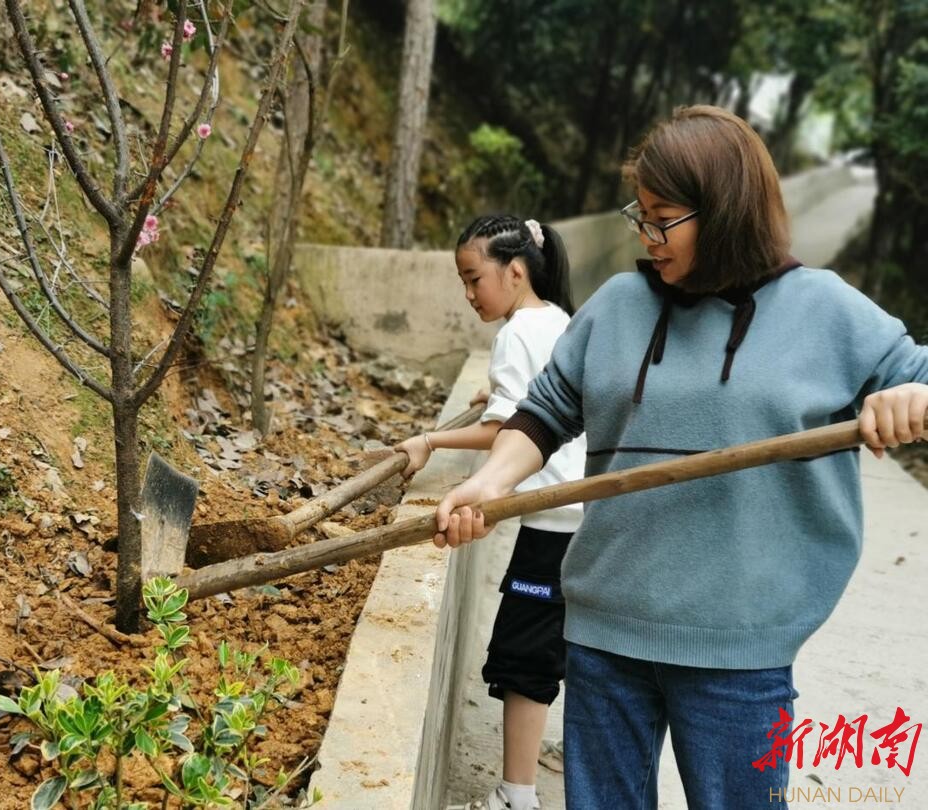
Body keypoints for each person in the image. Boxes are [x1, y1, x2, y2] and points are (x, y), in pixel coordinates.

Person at [432, 105, 928, 810]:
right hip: (605, 632)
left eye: (664, 219)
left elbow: (921, 376)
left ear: (724, 211)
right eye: (642, 214)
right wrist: (485, 483)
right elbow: (543, 413)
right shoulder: (620, 306)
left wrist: (907, 397)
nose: (647, 235)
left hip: (740, 654)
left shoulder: (823, 309)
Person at [395, 214, 587, 810]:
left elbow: (505, 428)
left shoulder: (514, 334)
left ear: (516, 271)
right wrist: (492, 396)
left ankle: (516, 796)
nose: (470, 293)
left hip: (554, 519)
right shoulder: (558, 320)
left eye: (474, 278)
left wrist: (429, 441)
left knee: (523, 656)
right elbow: (530, 398)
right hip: (588, 516)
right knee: (565, 646)